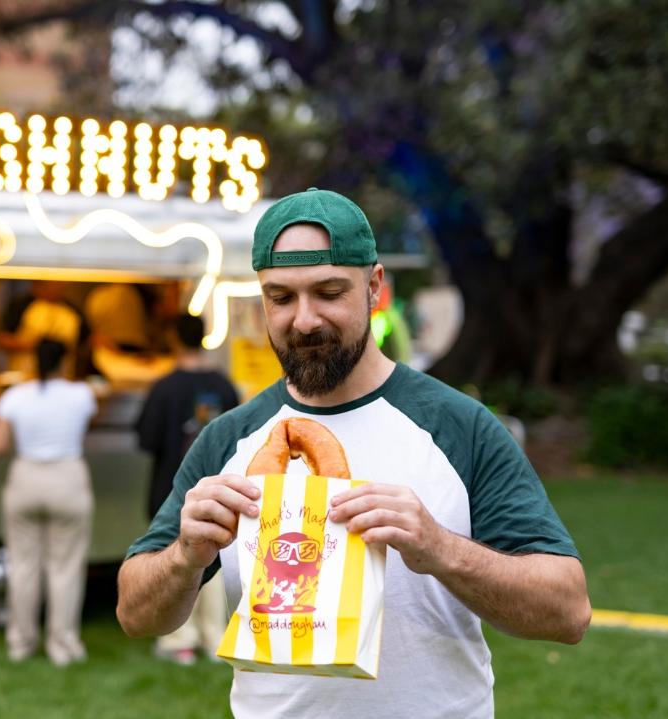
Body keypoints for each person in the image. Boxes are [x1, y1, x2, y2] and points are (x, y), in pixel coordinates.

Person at [116, 189, 590, 718]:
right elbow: (136, 614)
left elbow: (567, 611)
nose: (305, 320)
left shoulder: (459, 427)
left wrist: (439, 548)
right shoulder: (230, 438)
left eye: (328, 291)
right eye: (281, 297)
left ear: (374, 288)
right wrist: (185, 555)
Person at [136, 313, 239, 665]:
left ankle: (179, 640)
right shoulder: (224, 385)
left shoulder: (164, 387)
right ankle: (215, 638)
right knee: (213, 562)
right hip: (221, 491)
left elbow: (146, 438)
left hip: (170, 490)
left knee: (175, 563)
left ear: (174, 340)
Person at [0, 338, 98, 666]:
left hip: (26, 476)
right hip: (67, 477)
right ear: (64, 361)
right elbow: (88, 425)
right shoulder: (81, 395)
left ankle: (20, 643)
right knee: (64, 567)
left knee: (23, 566)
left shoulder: (15, 397)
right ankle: (62, 645)